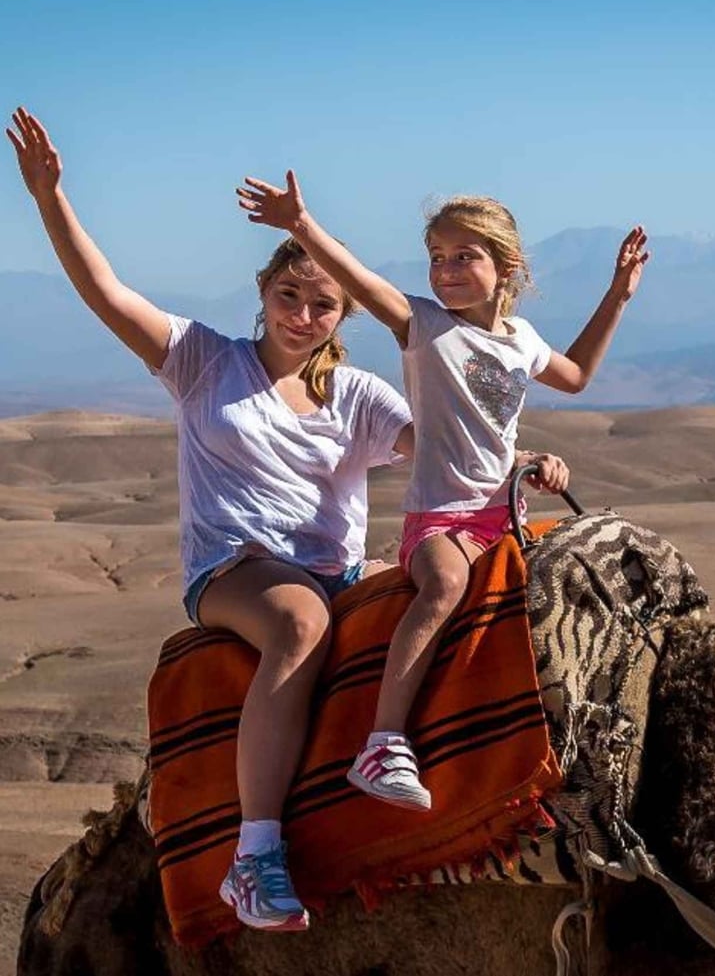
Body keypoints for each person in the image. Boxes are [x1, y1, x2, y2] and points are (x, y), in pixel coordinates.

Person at [7, 107, 568, 932]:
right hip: (236, 567)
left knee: (463, 589)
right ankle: (254, 854)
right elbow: (107, 292)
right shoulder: (204, 361)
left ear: (342, 318)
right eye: (289, 296)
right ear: (263, 296)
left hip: (340, 569)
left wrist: (524, 463)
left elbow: (452, 443)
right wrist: (49, 198)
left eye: (323, 304)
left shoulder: (359, 395)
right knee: (300, 622)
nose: (304, 314)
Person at [237, 170, 647, 813]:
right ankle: (384, 742)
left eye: (464, 256)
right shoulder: (423, 326)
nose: (447, 270)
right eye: (436, 257)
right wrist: (299, 226)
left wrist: (618, 294)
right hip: (439, 520)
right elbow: (361, 278)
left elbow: (576, 376)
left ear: (506, 266)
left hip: (502, 513)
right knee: (446, 585)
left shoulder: (522, 340)